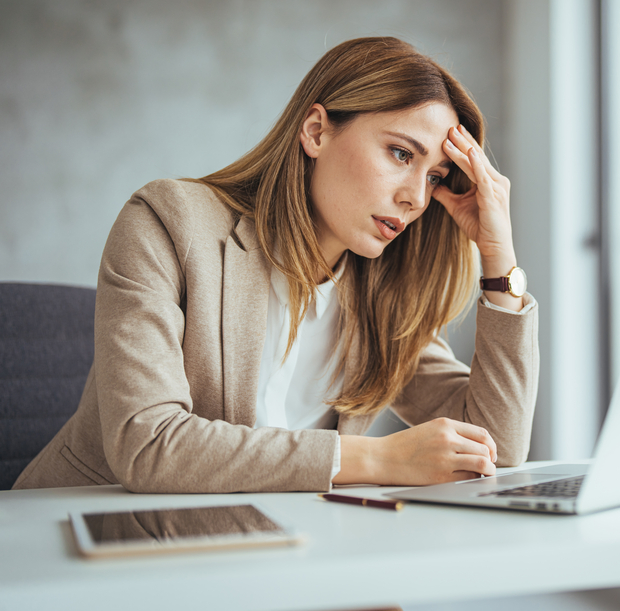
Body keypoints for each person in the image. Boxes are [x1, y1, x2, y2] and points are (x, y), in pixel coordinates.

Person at [13, 37, 539, 493]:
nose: (416, 199)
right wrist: (378, 459)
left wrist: (500, 258)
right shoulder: (167, 224)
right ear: (316, 131)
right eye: (402, 154)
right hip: (97, 540)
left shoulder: (380, 297)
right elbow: (148, 444)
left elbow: (498, 443)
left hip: (271, 542)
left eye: (435, 177)